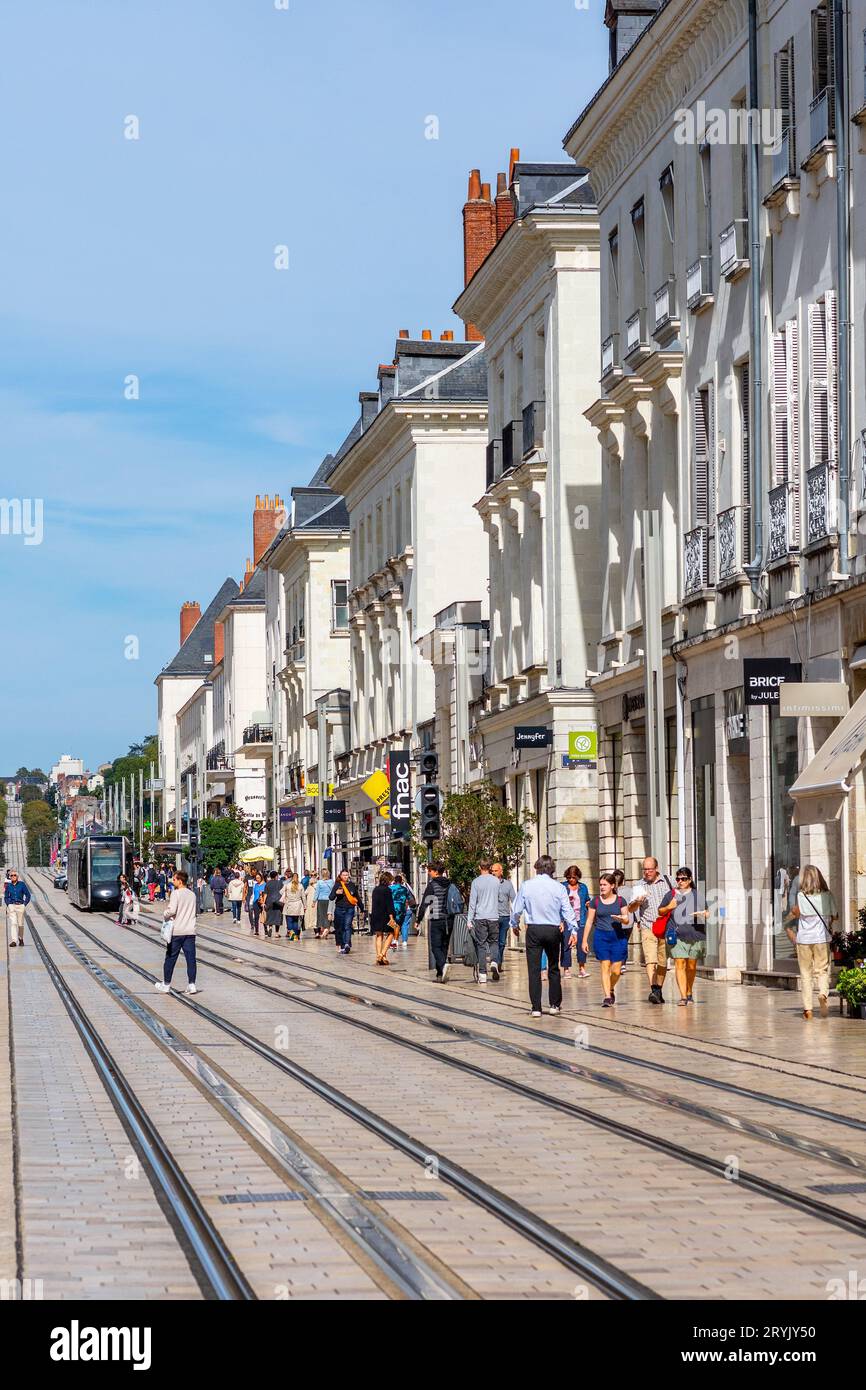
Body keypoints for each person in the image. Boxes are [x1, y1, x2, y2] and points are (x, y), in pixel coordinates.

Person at [510, 856, 577, 1017]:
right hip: (553, 929)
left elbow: (517, 908)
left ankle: (536, 1007)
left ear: (537, 868)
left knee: (534, 969)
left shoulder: (527, 886)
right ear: (552, 869)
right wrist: (573, 929)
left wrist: (514, 923)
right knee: (554, 967)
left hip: (534, 929)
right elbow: (567, 910)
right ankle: (554, 1004)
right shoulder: (558, 887)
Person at [786, 864, 839, 1020]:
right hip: (821, 939)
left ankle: (808, 1009)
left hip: (803, 940)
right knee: (822, 970)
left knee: (806, 974)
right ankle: (823, 993)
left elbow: (794, 914)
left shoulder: (801, 896)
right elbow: (835, 915)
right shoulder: (827, 895)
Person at [626, 857, 674, 1004]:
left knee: (662, 961)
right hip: (648, 926)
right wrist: (637, 902)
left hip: (665, 926)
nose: (647, 872)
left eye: (650, 869)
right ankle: (654, 989)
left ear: (656, 868)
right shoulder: (639, 885)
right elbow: (630, 908)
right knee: (650, 960)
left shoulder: (668, 881)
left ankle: (658, 989)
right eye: (645, 869)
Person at [582, 872, 631, 1007]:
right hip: (601, 936)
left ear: (612, 886)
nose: (602, 887)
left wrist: (622, 919)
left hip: (618, 936)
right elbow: (589, 921)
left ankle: (610, 987)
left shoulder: (621, 900)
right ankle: (607, 997)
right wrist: (584, 940)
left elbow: (627, 919)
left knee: (616, 970)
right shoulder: (595, 901)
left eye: (605, 885)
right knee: (605, 966)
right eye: (601, 885)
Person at [665, 867, 709, 1006]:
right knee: (680, 963)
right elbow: (661, 911)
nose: (680, 881)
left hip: (695, 934)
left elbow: (707, 912)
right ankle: (683, 996)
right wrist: (669, 907)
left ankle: (689, 991)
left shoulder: (698, 895)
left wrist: (704, 914)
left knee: (691, 966)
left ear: (690, 880)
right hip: (677, 934)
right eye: (678, 879)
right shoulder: (671, 895)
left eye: (683, 879)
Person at [155, 869, 198, 995]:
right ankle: (192, 984)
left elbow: (172, 910)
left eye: (174, 879)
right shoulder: (192, 894)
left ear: (180, 881)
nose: (172, 881)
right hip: (190, 931)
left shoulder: (176, 893)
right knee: (191, 959)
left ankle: (166, 984)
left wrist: (165, 913)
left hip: (177, 931)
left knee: (170, 958)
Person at [417, 862, 458, 982]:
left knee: (435, 947)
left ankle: (443, 965)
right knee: (444, 946)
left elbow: (425, 903)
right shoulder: (450, 884)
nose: (429, 873)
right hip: (449, 919)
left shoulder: (432, 885)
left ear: (435, 871)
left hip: (436, 919)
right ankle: (440, 974)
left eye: (430, 871)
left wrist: (418, 919)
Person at [467, 860, 502, 984]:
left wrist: (469, 919)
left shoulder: (476, 882)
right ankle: (493, 961)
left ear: (479, 867)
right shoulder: (496, 881)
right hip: (493, 916)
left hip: (480, 917)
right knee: (494, 942)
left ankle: (482, 974)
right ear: (490, 867)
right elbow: (499, 898)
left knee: (481, 945)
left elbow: (472, 902)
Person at [562, 866, 590, 979]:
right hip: (567, 920)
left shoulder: (583, 887)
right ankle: (566, 969)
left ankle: (582, 968)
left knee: (581, 944)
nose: (571, 880)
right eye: (569, 877)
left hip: (580, 919)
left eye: (573, 877)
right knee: (566, 944)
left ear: (578, 877)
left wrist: (588, 904)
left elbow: (587, 899)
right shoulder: (562, 887)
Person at [371, 871, 398, 965]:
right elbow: (389, 905)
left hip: (375, 915)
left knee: (379, 935)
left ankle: (379, 956)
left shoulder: (375, 889)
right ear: (388, 880)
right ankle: (382, 954)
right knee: (391, 933)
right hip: (385, 915)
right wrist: (392, 917)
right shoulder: (387, 890)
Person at [329, 869, 360, 954]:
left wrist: (362, 907)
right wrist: (336, 893)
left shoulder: (352, 885)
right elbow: (331, 897)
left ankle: (347, 944)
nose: (345, 877)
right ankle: (342, 945)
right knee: (340, 928)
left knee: (347, 926)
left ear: (348, 876)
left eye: (346, 875)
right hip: (339, 909)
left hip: (349, 908)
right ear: (340, 876)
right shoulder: (337, 885)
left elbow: (357, 897)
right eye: (343, 875)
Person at [491, 863, 516, 968]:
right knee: (494, 941)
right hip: (493, 916)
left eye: (495, 871)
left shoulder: (508, 884)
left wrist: (515, 918)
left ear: (501, 871)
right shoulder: (489, 884)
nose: (493, 873)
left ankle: (499, 961)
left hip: (505, 917)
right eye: (492, 870)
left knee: (502, 942)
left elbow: (514, 900)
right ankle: (495, 962)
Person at [4, 869, 31, 948]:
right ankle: (14, 941)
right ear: (10, 877)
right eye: (11, 875)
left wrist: (24, 904)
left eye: (14, 875)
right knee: (13, 923)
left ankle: (21, 939)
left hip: (20, 906)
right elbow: (6, 896)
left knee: (20, 924)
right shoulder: (8, 886)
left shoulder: (22, 884)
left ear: (17, 876)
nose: (13, 877)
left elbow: (28, 895)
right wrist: (8, 904)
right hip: (12, 906)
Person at [390, 872, 416, 949]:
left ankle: (395, 940)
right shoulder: (405, 888)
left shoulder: (391, 888)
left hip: (394, 909)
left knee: (395, 924)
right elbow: (410, 898)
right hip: (404, 909)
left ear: (394, 881)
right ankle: (404, 941)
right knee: (405, 925)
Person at [283, 873, 307, 940]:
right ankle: (296, 936)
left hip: (289, 905)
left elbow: (283, 894)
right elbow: (303, 897)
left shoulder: (287, 885)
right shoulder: (300, 886)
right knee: (296, 921)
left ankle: (292, 935)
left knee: (289, 921)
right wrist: (305, 906)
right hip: (298, 905)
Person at [263, 870, 284, 939]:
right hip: (278, 902)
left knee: (270, 915)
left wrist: (263, 902)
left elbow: (265, 894)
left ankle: (270, 927)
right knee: (278, 916)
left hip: (269, 901)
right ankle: (277, 933)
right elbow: (283, 892)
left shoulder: (267, 884)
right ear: (276, 876)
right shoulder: (280, 883)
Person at [313, 870, 334, 938]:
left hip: (321, 900)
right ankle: (327, 929)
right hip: (329, 900)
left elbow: (317, 892)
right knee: (328, 915)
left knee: (321, 916)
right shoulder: (331, 882)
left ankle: (323, 930)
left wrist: (314, 901)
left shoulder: (319, 882)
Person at [247, 870, 266, 935]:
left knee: (263, 916)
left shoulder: (265, 884)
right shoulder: (255, 885)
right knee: (256, 917)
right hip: (255, 902)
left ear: (261, 878)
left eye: (258, 878)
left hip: (262, 902)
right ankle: (257, 931)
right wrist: (251, 901)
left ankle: (266, 930)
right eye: (256, 878)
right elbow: (253, 893)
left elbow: (266, 894)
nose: (257, 879)